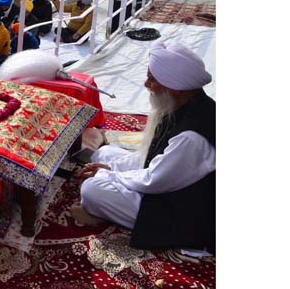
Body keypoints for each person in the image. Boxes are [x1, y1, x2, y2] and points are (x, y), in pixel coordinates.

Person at [74, 42, 215, 254]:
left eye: (152, 79)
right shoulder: (188, 103)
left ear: (175, 87)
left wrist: (108, 175)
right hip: (169, 180)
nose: (146, 84)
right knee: (104, 153)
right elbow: (152, 156)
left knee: (92, 190)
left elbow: (154, 180)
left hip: (182, 209)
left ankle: (106, 210)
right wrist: (109, 169)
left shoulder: (191, 138)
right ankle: (104, 194)